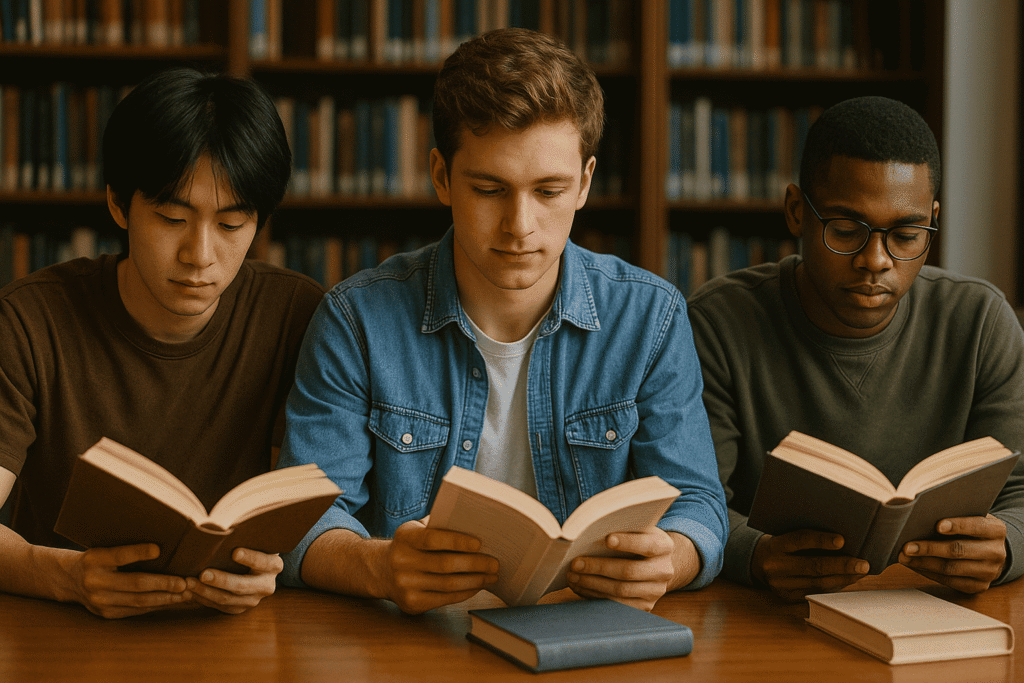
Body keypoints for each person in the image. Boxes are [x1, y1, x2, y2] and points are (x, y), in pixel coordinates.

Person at [275, 27, 728, 614]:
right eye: (490, 189)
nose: (520, 226)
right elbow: (301, 520)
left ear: (585, 183)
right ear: (441, 176)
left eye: (548, 191)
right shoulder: (355, 320)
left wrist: (671, 555)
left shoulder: (651, 316)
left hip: (585, 636)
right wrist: (379, 566)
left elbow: (698, 504)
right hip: (412, 644)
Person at [0, 67, 326, 618]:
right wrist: (64, 576)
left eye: (231, 225)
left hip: (234, 635)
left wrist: (277, 563)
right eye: (173, 217)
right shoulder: (30, 321)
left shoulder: (296, 315)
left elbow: (305, 512)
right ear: (118, 205)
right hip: (59, 631)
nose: (200, 255)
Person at [687, 96, 1024, 601]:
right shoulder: (719, 323)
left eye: (907, 235)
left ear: (933, 220)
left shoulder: (980, 323)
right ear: (797, 212)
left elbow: (1020, 492)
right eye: (846, 231)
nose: (875, 260)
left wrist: (1008, 547)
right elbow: (698, 501)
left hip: (933, 609)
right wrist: (754, 555)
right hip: (771, 614)